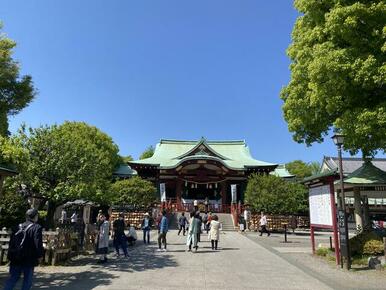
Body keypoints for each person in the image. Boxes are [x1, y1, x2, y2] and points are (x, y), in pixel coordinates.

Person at [4, 208, 44, 290]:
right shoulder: (37, 227)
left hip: (15, 257)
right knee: (27, 281)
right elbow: (38, 243)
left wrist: (10, 255)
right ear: (35, 216)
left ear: (26, 217)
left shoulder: (17, 227)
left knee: (13, 278)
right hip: (28, 258)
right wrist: (40, 256)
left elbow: (11, 242)